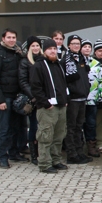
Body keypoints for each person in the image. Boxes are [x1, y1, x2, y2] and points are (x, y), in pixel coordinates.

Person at [0, 28, 27, 169]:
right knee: (4, 129)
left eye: (13, 37)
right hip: (5, 98)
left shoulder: (18, 54)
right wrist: (0, 101)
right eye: (9, 37)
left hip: (18, 98)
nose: (11, 40)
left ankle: (14, 153)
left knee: (17, 127)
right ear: (3, 39)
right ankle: (3, 157)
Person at [29, 38, 69, 173]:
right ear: (44, 51)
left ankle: (56, 160)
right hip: (47, 108)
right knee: (45, 136)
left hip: (61, 105)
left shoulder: (58, 65)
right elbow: (35, 88)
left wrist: (65, 100)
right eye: (49, 49)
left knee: (59, 135)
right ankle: (45, 164)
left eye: (54, 49)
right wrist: (46, 103)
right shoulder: (38, 66)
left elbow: (63, 85)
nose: (53, 51)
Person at [63, 35, 92, 164]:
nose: (76, 45)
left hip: (82, 98)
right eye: (73, 43)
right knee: (71, 127)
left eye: (78, 43)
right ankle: (72, 154)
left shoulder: (82, 59)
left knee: (79, 126)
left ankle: (80, 152)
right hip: (73, 99)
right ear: (69, 45)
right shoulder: (66, 60)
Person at [19, 35, 43, 165]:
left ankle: (42, 152)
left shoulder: (44, 60)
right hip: (33, 100)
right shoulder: (25, 62)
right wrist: (34, 96)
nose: (35, 48)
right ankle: (34, 155)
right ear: (29, 48)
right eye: (33, 46)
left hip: (44, 99)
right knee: (34, 126)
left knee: (43, 127)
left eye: (37, 45)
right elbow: (23, 81)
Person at [81, 39, 102, 158]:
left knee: (91, 123)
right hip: (78, 99)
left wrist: (101, 96)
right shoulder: (75, 62)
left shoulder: (96, 63)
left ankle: (91, 146)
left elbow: (100, 81)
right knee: (78, 123)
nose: (87, 49)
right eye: (84, 47)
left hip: (92, 98)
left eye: (89, 47)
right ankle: (79, 147)